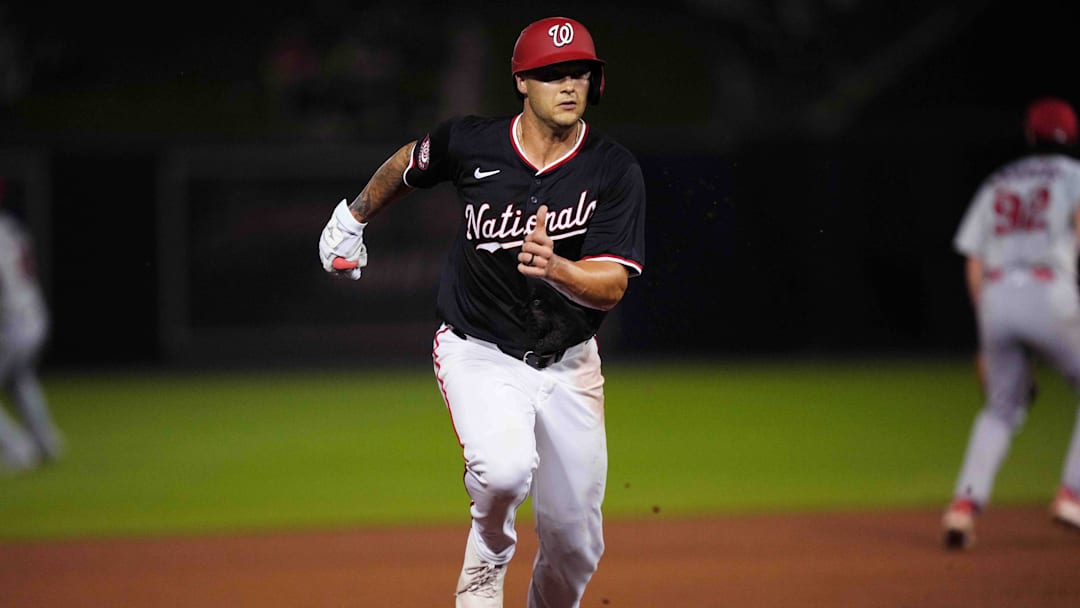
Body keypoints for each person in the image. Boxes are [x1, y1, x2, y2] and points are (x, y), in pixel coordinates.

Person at [318, 16, 645, 607]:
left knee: (575, 546)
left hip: (570, 363)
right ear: (522, 82)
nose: (568, 85)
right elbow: (410, 163)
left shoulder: (612, 169)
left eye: (578, 73)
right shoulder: (472, 142)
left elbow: (613, 284)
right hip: (479, 350)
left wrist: (559, 269)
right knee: (504, 469)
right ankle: (488, 556)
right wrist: (353, 217)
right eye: (551, 74)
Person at [943, 96, 1080, 549]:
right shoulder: (1074, 175)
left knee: (1000, 410)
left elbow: (974, 262)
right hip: (1049, 287)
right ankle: (1073, 493)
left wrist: (987, 336)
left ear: (1029, 134)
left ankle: (963, 507)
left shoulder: (996, 182)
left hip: (996, 296)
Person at [0, 180, 64, 475]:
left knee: (19, 378)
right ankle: (46, 442)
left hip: (10, 323)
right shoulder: (11, 227)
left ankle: (18, 449)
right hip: (34, 315)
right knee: (19, 379)